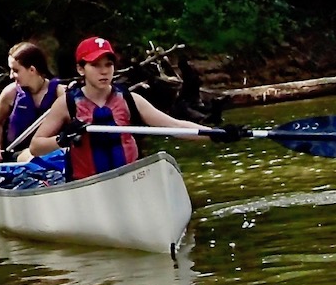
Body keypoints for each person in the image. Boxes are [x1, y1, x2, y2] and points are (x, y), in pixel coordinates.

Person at [27, 37, 245, 180]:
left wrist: (218, 135)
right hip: (88, 185)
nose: (104, 72)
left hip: (129, 182)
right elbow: (36, 147)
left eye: (109, 65)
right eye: (95, 65)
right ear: (80, 69)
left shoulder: (130, 100)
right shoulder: (67, 103)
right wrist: (62, 139)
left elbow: (175, 127)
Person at [0, 42, 63, 164]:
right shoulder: (10, 93)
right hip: (17, 156)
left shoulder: (60, 93)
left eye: (15, 70)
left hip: (53, 153)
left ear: (32, 70)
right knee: (30, 156)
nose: (11, 76)